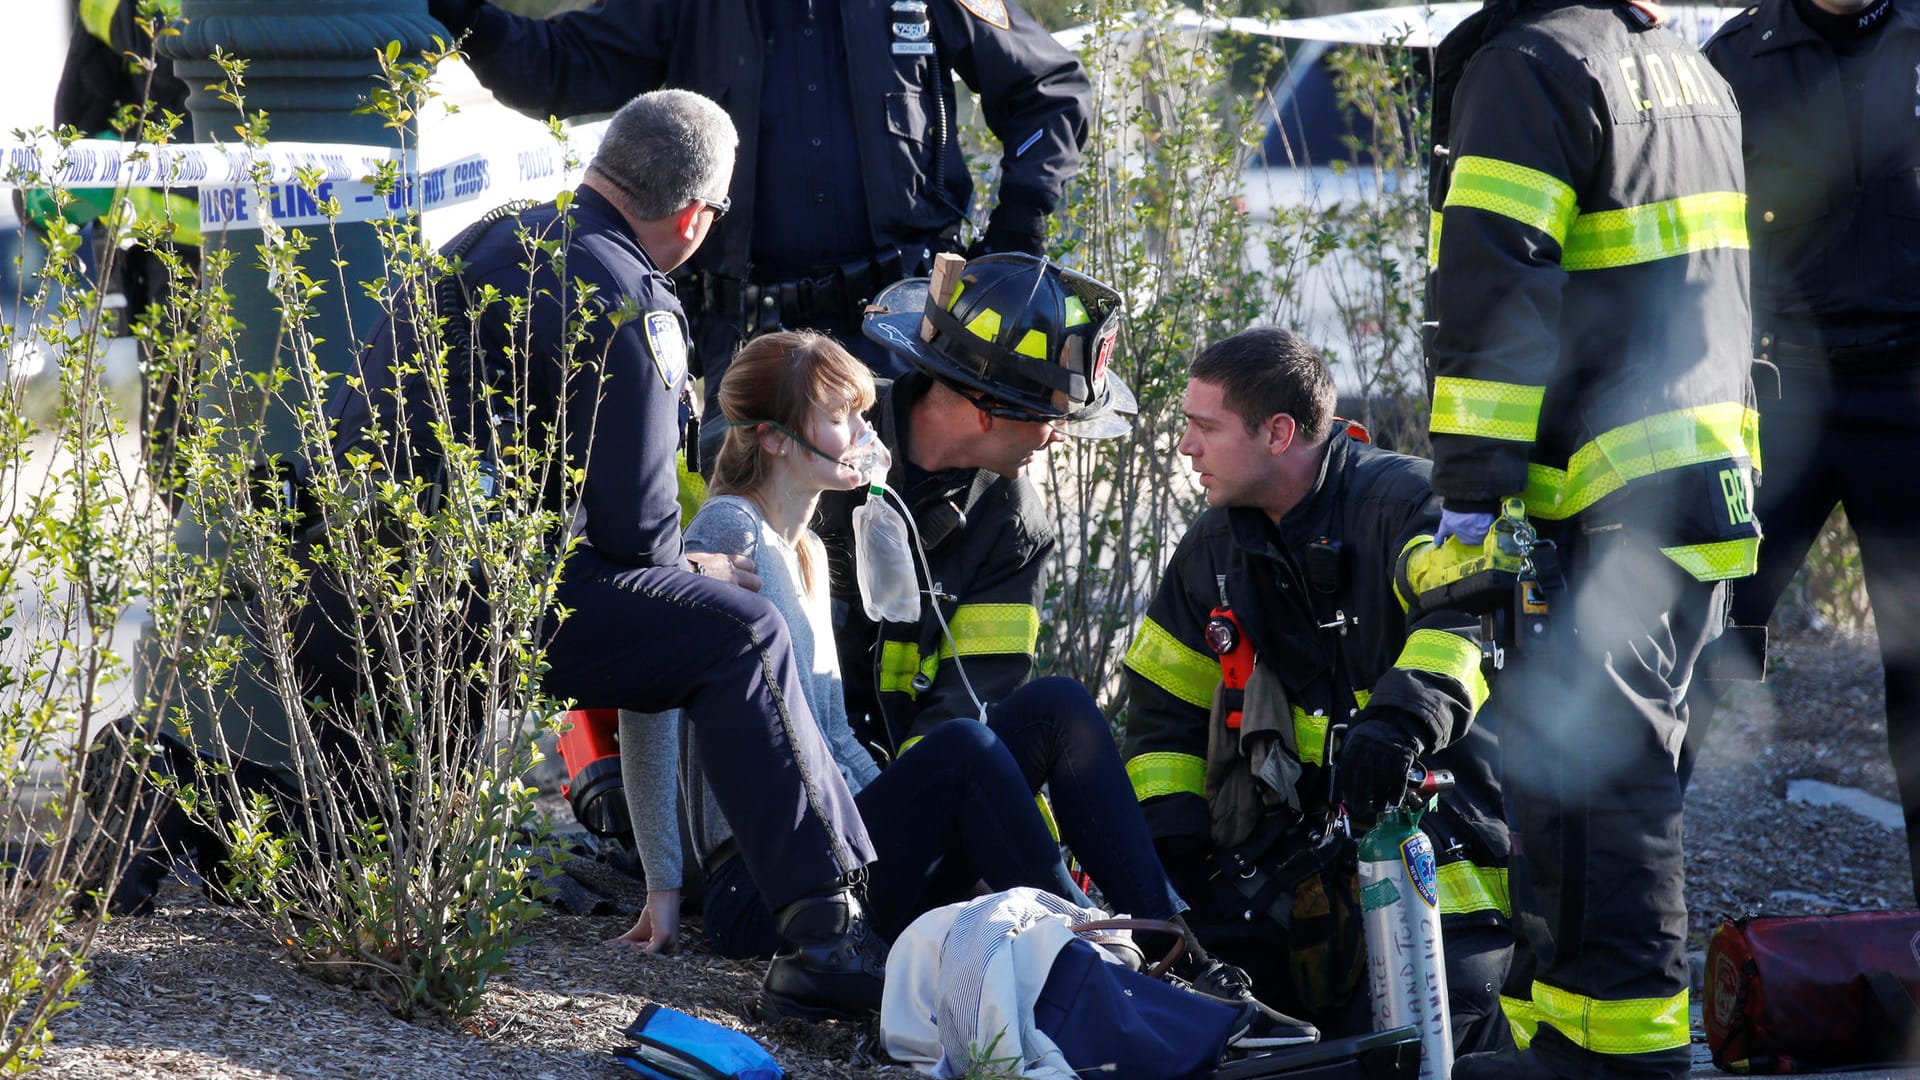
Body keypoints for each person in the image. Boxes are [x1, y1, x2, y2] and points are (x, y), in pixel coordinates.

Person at [298, 89, 887, 1022]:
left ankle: (191, 811)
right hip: (456, 600)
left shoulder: (493, 241)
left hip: (345, 595)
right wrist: (705, 570)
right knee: (740, 632)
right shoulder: (625, 294)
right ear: (693, 215)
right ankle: (827, 932)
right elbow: (638, 535)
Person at [1425, 1, 1759, 1074]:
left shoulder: (1531, 67)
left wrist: (1473, 494)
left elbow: (1494, 289)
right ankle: (1564, 1031)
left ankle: (1620, 1050)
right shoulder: (1685, 68)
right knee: (1592, 785)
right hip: (1698, 477)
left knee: (1602, 795)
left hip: (1607, 489)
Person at [423, 0, 1091, 462]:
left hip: (902, 339)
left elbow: (1048, 88)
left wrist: (1017, 233)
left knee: (907, 565)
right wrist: (468, 19)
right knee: (754, 571)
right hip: (749, 349)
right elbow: (561, 70)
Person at [1120, 327, 1512, 1051]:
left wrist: (1398, 723)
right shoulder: (1213, 551)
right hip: (1294, 859)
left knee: (1411, 1042)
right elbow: (1160, 708)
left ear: (1277, 432)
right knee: (1196, 1020)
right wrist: (1177, 854)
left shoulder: (1405, 503)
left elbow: (1467, 622)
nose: (1185, 447)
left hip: (1440, 847)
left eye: (1203, 427)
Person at [1690, 0, 1920, 905]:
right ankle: (1630, 934)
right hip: (1773, 395)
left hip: (1909, 395)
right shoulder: (1736, 60)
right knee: (1702, 637)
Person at [817, 252, 1135, 758]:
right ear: (988, 410)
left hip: (901, 797)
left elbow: (965, 709)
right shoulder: (819, 437)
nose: (1057, 438)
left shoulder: (1014, 527)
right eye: (1050, 416)